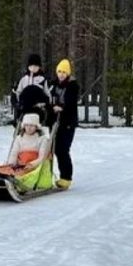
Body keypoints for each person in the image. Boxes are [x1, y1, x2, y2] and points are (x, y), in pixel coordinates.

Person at [49, 58, 79, 189]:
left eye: (64, 72)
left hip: (67, 122)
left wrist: (61, 107)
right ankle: (47, 176)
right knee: (52, 148)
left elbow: (71, 103)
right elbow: (49, 99)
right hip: (54, 121)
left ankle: (66, 177)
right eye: (59, 72)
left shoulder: (72, 86)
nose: (61, 74)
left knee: (62, 149)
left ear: (68, 73)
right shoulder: (53, 85)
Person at [11, 53, 49, 122]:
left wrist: (43, 103)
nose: (33, 68)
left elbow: (47, 94)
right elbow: (18, 92)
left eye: (35, 66)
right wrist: (19, 103)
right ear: (28, 66)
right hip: (25, 107)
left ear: (39, 67)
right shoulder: (24, 79)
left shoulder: (42, 79)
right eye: (31, 66)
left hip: (38, 108)